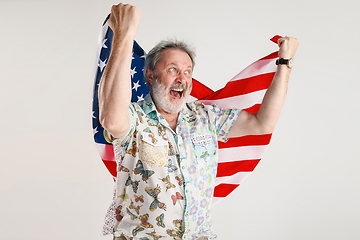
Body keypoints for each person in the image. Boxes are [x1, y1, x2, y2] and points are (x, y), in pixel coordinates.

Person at [98, 3, 299, 240]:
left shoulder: (206, 117)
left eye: (187, 71)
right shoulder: (135, 119)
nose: (182, 78)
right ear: (150, 75)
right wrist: (124, 33)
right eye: (172, 69)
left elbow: (262, 124)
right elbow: (110, 119)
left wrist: (284, 63)